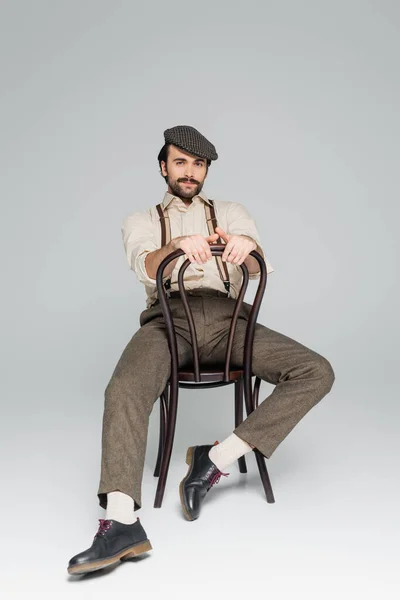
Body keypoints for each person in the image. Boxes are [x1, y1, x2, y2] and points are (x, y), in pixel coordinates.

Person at [67, 125, 335, 576]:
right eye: (180, 162)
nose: (189, 172)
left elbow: (258, 263)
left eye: (198, 164)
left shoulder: (230, 211)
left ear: (206, 169)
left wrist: (247, 248)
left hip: (231, 321)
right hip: (169, 322)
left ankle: (215, 459)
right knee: (124, 389)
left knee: (316, 371)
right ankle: (121, 523)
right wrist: (175, 248)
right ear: (163, 166)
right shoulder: (142, 220)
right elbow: (146, 264)